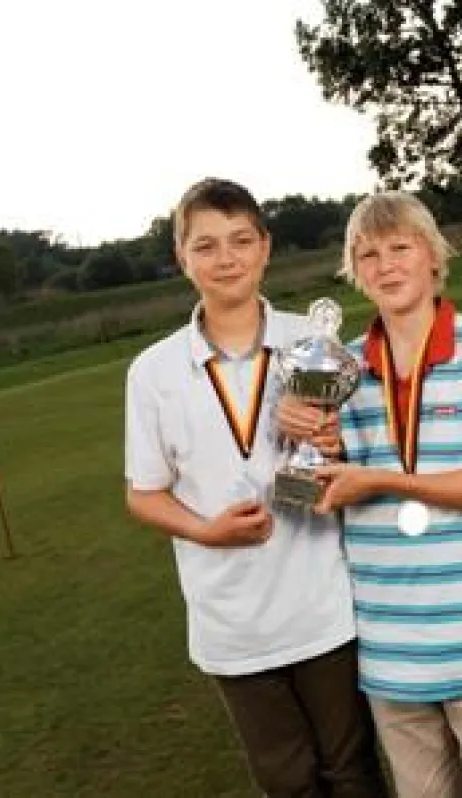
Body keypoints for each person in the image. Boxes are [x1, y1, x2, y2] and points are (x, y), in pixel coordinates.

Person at [123, 178, 386, 798]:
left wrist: (332, 447)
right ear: (181, 257)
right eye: (207, 245)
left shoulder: (318, 344)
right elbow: (144, 492)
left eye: (241, 240)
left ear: (266, 247)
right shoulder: (154, 372)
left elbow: (371, 462)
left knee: (352, 773)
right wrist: (203, 530)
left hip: (325, 607)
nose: (226, 258)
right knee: (286, 782)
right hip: (231, 623)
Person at [306, 190, 462, 797]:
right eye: (367, 255)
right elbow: (315, 492)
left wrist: (382, 479)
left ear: (433, 255)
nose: (384, 265)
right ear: (354, 273)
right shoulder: (339, 368)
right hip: (392, 646)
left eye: (399, 248)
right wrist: (317, 449)